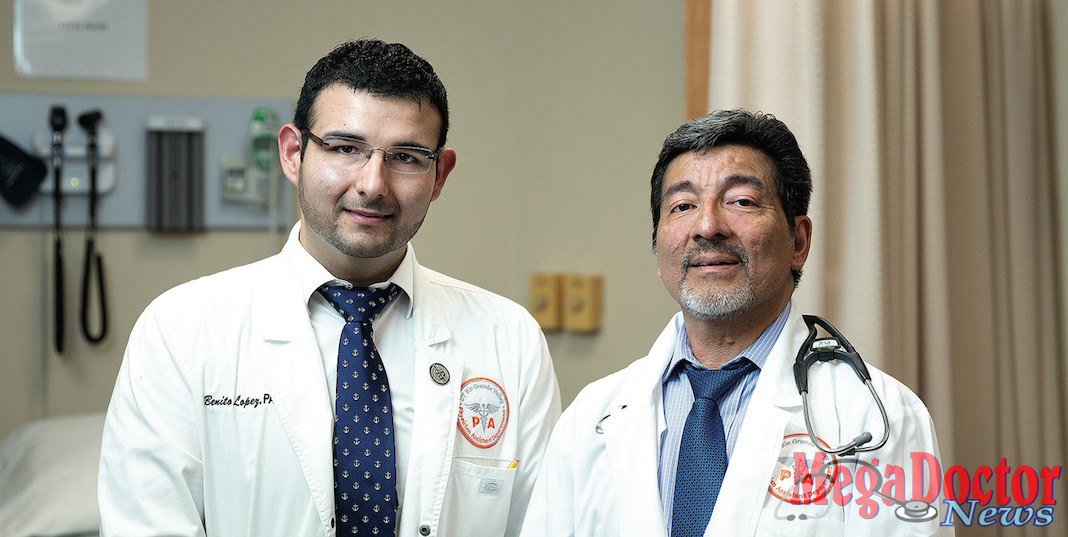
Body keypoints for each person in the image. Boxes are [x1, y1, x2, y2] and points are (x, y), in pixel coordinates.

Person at [99, 39, 561, 537]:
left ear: (440, 174)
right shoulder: (182, 330)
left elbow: (544, 523)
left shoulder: (510, 340)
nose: (372, 183)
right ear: (294, 153)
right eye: (345, 148)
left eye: (405, 157)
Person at [520, 109, 950, 536]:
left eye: (741, 201)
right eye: (683, 206)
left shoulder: (879, 419)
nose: (707, 227)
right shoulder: (591, 418)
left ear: (798, 241)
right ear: (658, 247)